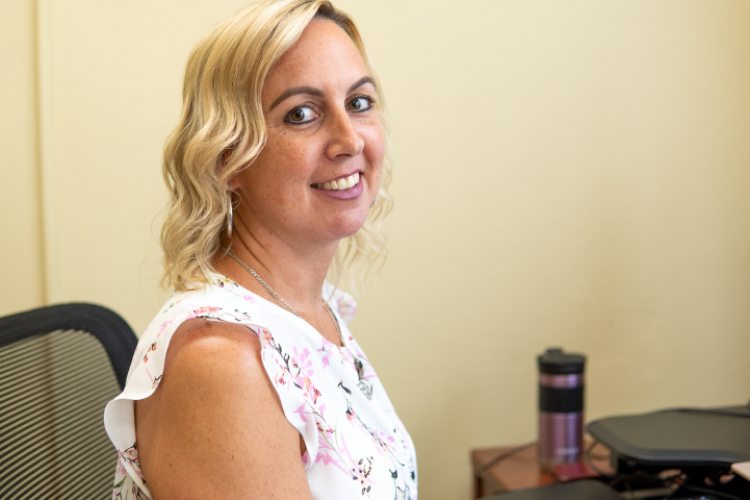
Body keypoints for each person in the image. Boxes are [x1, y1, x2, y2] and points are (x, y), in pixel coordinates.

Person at [103, 1, 417, 498]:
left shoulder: (311, 310)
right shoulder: (223, 364)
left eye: (359, 103)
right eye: (302, 114)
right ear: (228, 156)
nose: (349, 138)